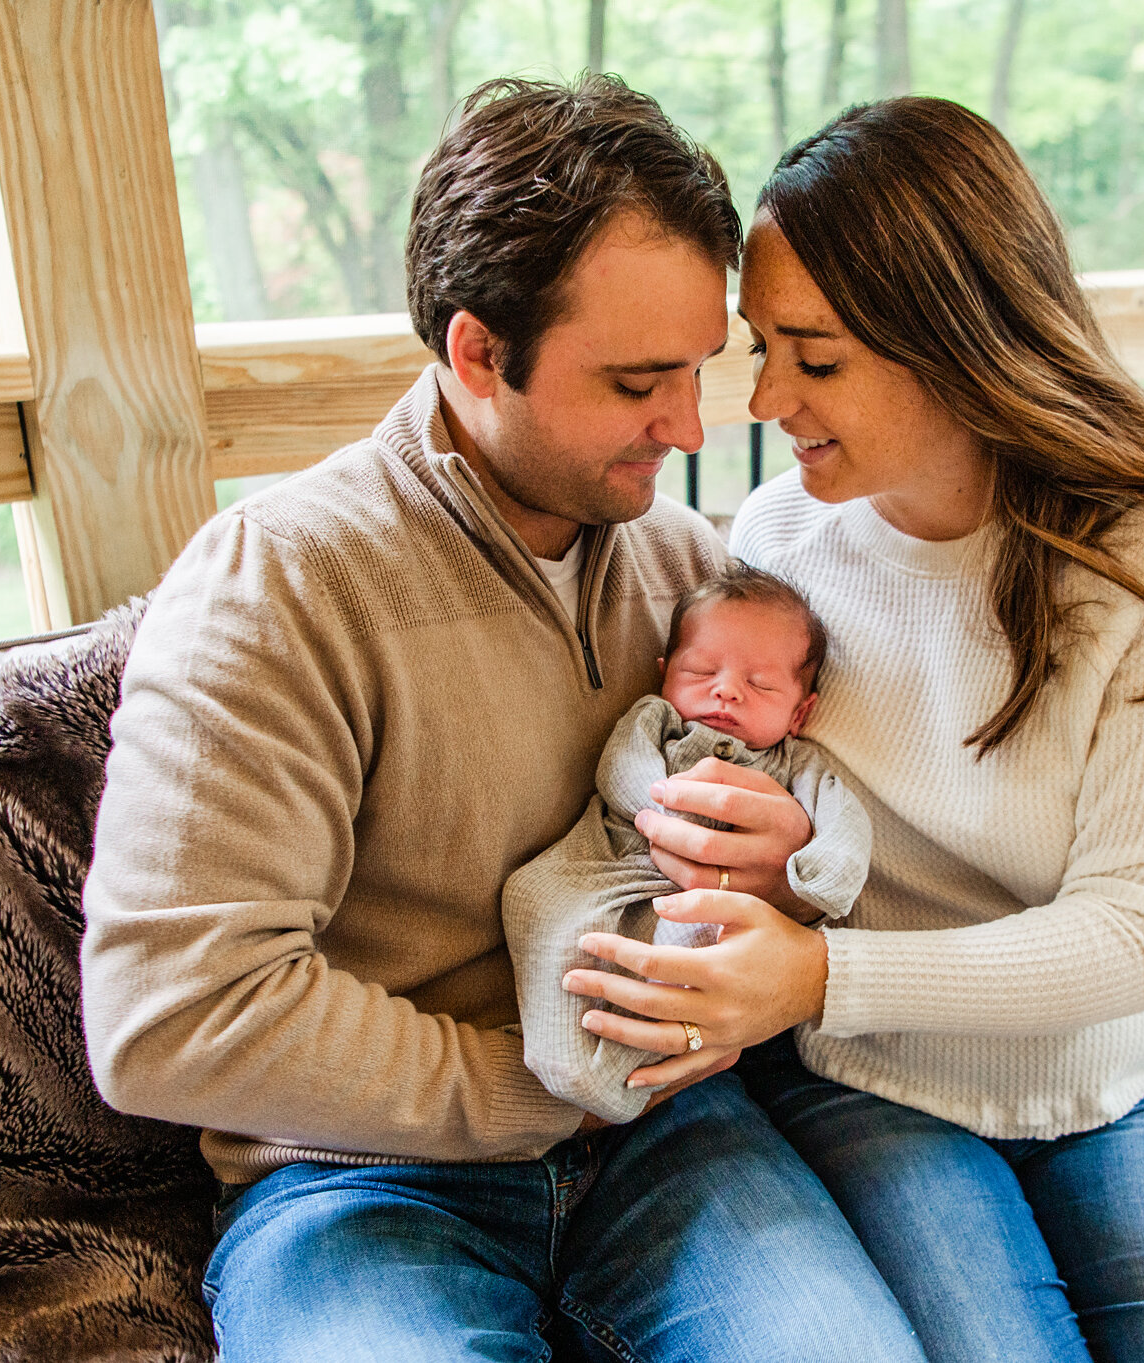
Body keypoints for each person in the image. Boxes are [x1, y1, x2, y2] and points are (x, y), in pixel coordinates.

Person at [78, 76, 922, 1363]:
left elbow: (810, 871)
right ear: (477, 353)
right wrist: (546, 1087)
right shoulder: (280, 585)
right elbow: (170, 1015)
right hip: (363, 1178)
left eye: (698, 371)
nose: (690, 430)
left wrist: (783, 885)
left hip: (670, 1141)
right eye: (639, 380)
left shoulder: (682, 573)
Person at [566, 96, 1144, 1362]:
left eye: (814, 359)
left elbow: (1143, 932)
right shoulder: (778, 543)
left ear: (960, 340)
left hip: (1137, 1066)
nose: (764, 398)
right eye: (761, 348)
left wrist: (821, 972)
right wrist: (761, 866)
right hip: (872, 1075)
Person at [505, 564, 870, 1125]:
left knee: (696, 948)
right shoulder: (657, 721)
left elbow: (843, 819)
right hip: (617, 860)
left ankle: (624, 1070)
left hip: (710, 902)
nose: (725, 690)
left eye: (761, 684)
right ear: (664, 673)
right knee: (534, 896)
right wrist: (660, 805)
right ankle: (564, 1056)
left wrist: (825, 875)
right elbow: (622, 769)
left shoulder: (797, 765)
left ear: (800, 713)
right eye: (700, 670)